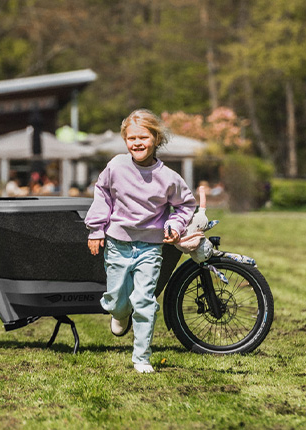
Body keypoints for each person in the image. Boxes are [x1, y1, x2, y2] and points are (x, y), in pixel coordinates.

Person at [84, 109, 197, 374]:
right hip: (117, 244)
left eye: (143, 137)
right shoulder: (116, 166)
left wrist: (174, 225)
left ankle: (141, 358)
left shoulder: (169, 178)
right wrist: (96, 230)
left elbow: (185, 206)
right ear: (125, 140)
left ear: (156, 139)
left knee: (145, 301)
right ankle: (120, 313)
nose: (137, 143)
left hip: (150, 248)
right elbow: (102, 194)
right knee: (115, 301)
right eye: (131, 138)